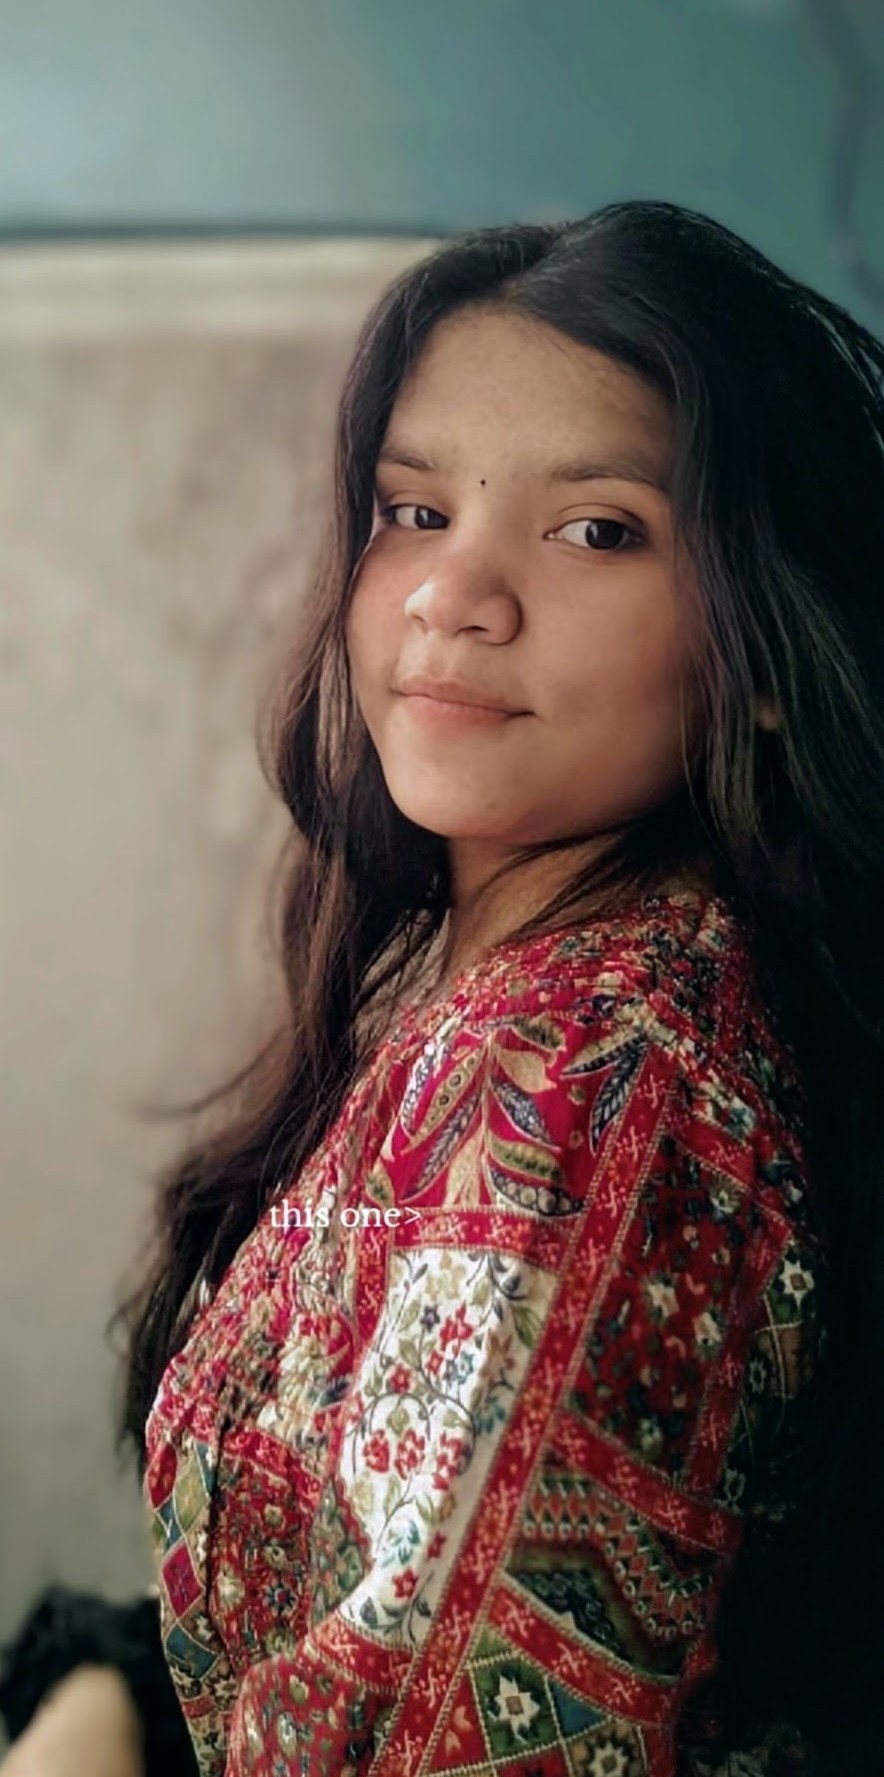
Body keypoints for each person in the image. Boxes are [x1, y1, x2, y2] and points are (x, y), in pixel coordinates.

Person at [4, 199, 883, 1777]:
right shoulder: (554, 991)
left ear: (759, 652)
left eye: (596, 529)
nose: (454, 592)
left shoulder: (587, 1075)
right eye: (414, 511)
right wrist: (105, 1691)